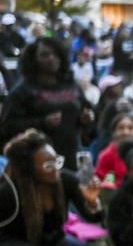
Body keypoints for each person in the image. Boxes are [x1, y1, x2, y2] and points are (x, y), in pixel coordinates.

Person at [0, 37, 94, 171]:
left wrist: (87, 119)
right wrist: (42, 123)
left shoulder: (72, 86)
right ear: (34, 59)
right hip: (38, 162)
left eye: (55, 54)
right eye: (44, 55)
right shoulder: (23, 90)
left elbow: (87, 117)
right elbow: (7, 126)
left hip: (72, 158)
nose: (51, 58)